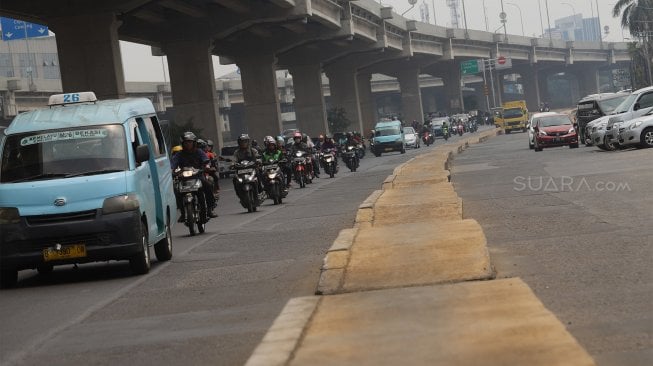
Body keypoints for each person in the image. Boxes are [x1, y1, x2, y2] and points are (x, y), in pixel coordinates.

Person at [170, 132, 218, 221]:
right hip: (183, 178)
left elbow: (206, 161)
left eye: (190, 142)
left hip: (198, 176)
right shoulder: (179, 154)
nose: (188, 144)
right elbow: (173, 165)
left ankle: (210, 208)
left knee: (207, 185)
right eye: (186, 142)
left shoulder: (199, 152)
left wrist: (207, 167)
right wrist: (172, 171)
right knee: (176, 190)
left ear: (194, 143)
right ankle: (183, 213)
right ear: (183, 143)